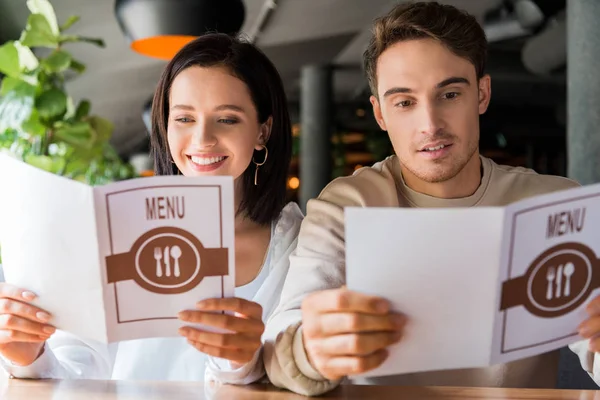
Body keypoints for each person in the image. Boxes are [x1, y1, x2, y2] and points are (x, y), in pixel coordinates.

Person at [262, 2, 580, 396]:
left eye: (448, 94)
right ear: (380, 113)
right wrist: (311, 352)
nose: (430, 124)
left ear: (481, 94)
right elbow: (281, 343)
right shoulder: (348, 205)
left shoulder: (551, 205)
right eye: (405, 102)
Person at [0, 33, 303, 385]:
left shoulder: (296, 244)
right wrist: (29, 356)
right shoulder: (116, 230)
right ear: (165, 124)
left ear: (263, 131)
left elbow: (303, 373)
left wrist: (241, 362)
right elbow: (78, 366)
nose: (202, 139)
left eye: (227, 119)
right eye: (185, 119)